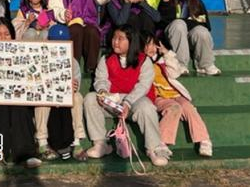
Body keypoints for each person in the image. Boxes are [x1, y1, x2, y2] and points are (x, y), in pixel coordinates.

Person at [83, 24, 172, 167]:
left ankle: (153, 148)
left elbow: (143, 86)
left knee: (147, 107)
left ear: (131, 41)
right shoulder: (106, 59)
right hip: (113, 100)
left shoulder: (144, 60)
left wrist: (128, 102)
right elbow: (101, 79)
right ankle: (101, 144)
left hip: (135, 101)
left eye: (120, 38)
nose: (115, 42)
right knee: (90, 98)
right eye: (114, 37)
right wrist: (102, 92)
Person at [143, 32, 213, 157]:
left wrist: (167, 54)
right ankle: (161, 142)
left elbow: (175, 73)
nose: (151, 48)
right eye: (147, 44)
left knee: (189, 108)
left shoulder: (162, 60)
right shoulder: (141, 63)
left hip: (175, 94)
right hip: (159, 97)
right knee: (174, 108)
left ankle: (204, 139)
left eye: (154, 44)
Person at [0, 18, 41, 167]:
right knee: (1, 105)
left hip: (17, 98)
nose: (3, 38)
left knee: (18, 105)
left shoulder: (22, 53)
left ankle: (25, 154)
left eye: (7, 34)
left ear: (13, 36)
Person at [48, 0, 111, 73]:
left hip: (89, 23)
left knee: (92, 32)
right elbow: (53, 8)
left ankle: (91, 69)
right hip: (69, 24)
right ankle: (74, 68)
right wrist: (63, 14)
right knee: (76, 29)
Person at [34, 24, 87, 162]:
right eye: (56, 41)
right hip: (47, 97)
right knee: (41, 98)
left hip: (64, 100)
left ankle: (77, 141)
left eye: (63, 42)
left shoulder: (73, 62)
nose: (59, 45)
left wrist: (72, 86)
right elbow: (35, 84)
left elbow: (76, 87)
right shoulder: (40, 58)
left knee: (77, 97)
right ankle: (42, 143)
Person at [158, 0, 220, 76]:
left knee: (201, 31)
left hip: (190, 38)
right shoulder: (167, 0)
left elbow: (204, 24)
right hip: (172, 38)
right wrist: (166, 2)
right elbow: (161, 23)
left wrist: (185, 23)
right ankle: (180, 64)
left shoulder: (196, 2)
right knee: (178, 24)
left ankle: (205, 64)